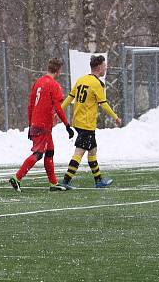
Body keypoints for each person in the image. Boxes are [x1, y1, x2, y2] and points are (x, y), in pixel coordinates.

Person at [9, 57, 74, 193]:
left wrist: (30, 124)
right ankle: (17, 177)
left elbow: (30, 105)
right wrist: (67, 125)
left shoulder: (38, 82)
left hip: (37, 123)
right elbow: (58, 107)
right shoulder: (54, 85)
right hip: (44, 125)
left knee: (49, 152)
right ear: (58, 70)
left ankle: (53, 183)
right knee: (38, 154)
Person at [60, 54, 122, 188]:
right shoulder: (97, 84)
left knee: (92, 150)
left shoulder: (81, 80)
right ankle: (65, 181)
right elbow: (104, 104)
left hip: (78, 121)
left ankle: (98, 180)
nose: (105, 69)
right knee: (80, 151)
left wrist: (58, 111)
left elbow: (70, 98)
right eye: (104, 66)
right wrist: (115, 117)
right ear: (99, 67)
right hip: (86, 123)